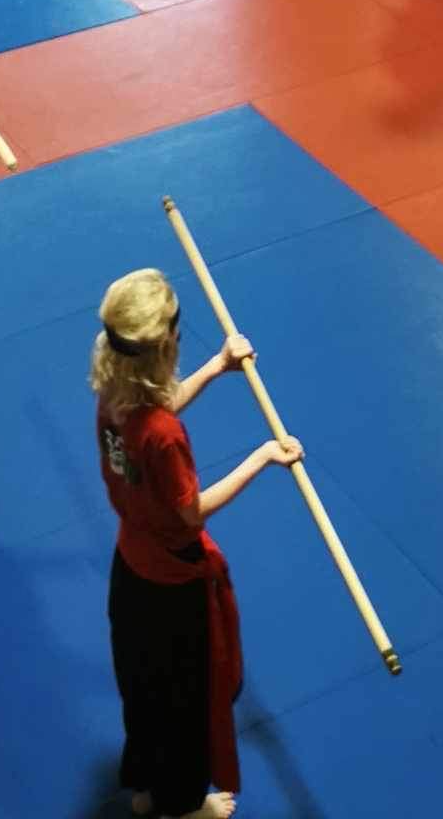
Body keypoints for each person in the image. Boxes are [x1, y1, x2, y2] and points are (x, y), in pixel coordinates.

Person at [93, 266, 302, 819]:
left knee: (142, 686)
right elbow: (192, 513)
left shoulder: (113, 394)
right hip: (171, 586)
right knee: (184, 700)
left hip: (129, 572)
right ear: (167, 345)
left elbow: (155, 411)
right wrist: (263, 457)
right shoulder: (164, 436)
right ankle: (183, 805)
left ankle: (145, 787)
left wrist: (217, 366)